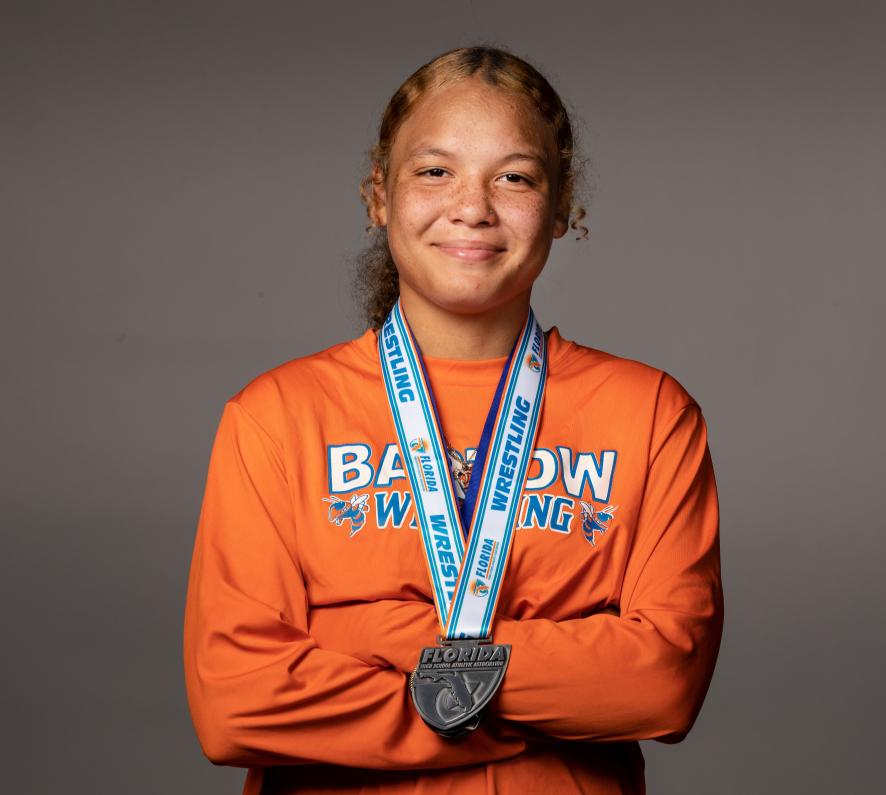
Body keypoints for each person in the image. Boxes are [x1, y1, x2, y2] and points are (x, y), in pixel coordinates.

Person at [183, 45, 724, 795]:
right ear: (379, 195)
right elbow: (236, 703)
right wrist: (551, 687)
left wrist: (364, 633)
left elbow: (662, 681)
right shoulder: (276, 416)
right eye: (435, 170)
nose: (472, 205)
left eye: (515, 177)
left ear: (561, 206)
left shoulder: (652, 415)